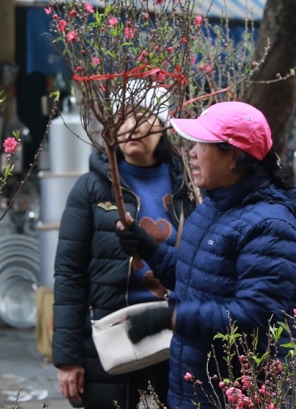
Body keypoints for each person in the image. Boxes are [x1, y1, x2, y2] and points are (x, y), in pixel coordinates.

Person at [116, 101, 296, 409]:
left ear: (233, 157)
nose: (191, 152)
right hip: (195, 387)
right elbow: (196, 279)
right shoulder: (213, 206)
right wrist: (149, 249)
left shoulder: (270, 226)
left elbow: (251, 316)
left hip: (238, 395)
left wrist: (171, 317)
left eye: (202, 145)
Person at [52, 82, 195, 409]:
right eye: (122, 118)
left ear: (163, 123)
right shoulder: (91, 188)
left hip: (175, 331)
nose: (131, 127)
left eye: (142, 117)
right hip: (111, 331)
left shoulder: (188, 185)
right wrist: (68, 357)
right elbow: (69, 274)